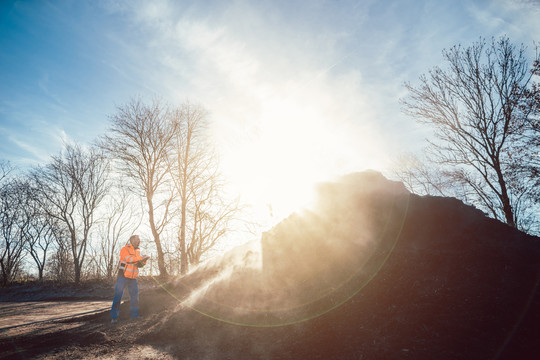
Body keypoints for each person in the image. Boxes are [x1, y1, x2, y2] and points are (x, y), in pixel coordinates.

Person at [110, 234, 150, 323]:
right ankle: (114, 317)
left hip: (133, 278)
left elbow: (138, 264)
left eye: (139, 239)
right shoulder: (125, 249)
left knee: (135, 297)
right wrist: (141, 258)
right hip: (123, 277)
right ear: (132, 240)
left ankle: (134, 316)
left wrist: (144, 260)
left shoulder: (138, 251)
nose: (139, 241)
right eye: (137, 239)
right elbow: (129, 259)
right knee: (118, 297)